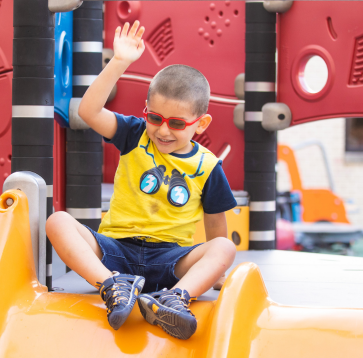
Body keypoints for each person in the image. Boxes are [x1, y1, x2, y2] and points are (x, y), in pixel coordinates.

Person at [46, 21, 237, 340]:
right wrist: (118, 62)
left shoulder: (208, 166)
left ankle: (174, 299)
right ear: (145, 112)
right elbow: (90, 111)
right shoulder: (135, 134)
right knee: (58, 221)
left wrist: (215, 274)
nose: (163, 130)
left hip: (170, 260)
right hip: (116, 251)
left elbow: (216, 224)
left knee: (225, 248)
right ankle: (111, 287)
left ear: (200, 124)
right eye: (155, 118)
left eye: (176, 123)